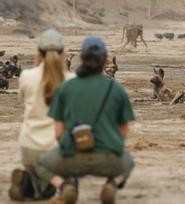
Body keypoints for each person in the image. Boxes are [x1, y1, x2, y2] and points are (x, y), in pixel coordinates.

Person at [35, 37, 135, 204]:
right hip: (108, 157)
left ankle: (66, 186)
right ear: (104, 61)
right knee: (129, 162)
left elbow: (58, 132)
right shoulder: (116, 89)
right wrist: (111, 145)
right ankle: (111, 184)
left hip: (73, 156)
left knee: (40, 165)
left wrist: (70, 147)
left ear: (82, 59)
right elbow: (124, 131)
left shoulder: (65, 87)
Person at [9, 29, 75, 201]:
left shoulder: (26, 76)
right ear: (63, 54)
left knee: (37, 170)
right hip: (59, 148)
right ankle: (62, 184)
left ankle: (28, 184)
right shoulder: (72, 80)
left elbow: (21, 102)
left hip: (29, 145)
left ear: (39, 52)